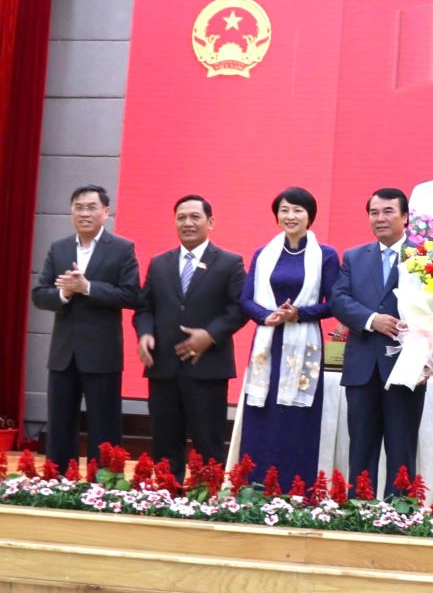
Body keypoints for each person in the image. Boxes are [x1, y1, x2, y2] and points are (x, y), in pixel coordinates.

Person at [133, 195, 246, 481]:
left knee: (208, 445)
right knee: (164, 443)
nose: (188, 223)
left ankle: (207, 505)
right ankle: (166, 499)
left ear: (211, 222)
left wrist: (209, 335)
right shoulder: (159, 264)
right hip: (164, 369)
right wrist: (145, 334)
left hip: (207, 369)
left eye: (195, 217)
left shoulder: (230, 263)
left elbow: (238, 309)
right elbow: (145, 308)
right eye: (181, 217)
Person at [31, 184, 140, 470]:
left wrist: (88, 287)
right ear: (71, 212)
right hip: (63, 354)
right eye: (78, 207)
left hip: (102, 354)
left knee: (104, 426)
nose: (84, 213)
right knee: (59, 424)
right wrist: (65, 294)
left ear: (106, 212)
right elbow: (39, 294)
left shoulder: (122, 248)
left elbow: (132, 295)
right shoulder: (59, 248)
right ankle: (58, 483)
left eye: (91, 207)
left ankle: (103, 486)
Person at [237, 187, 340, 486]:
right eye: (284, 210)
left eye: (297, 210)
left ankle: (296, 490)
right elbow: (245, 300)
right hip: (268, 345)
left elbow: (334, 303)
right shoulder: (263, 253)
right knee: (262, 416)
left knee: (295, 419)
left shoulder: (326, 255)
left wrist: (299, 314)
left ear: (310, 216)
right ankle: (254, 489)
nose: (290, 216)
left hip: (303, 343)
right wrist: (264, 316)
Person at [331, 187, 423, 497]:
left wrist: (429, 361)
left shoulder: (425, 258)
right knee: (361, 449)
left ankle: (399, 516)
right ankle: (360, 511)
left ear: (405, 217)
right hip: (362, 369)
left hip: (405, 368)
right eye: (374, 212)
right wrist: (372, 320)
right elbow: (339, 299)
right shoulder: (355, 257)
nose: (380, 218)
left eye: (388, 212)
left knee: (402, 451)